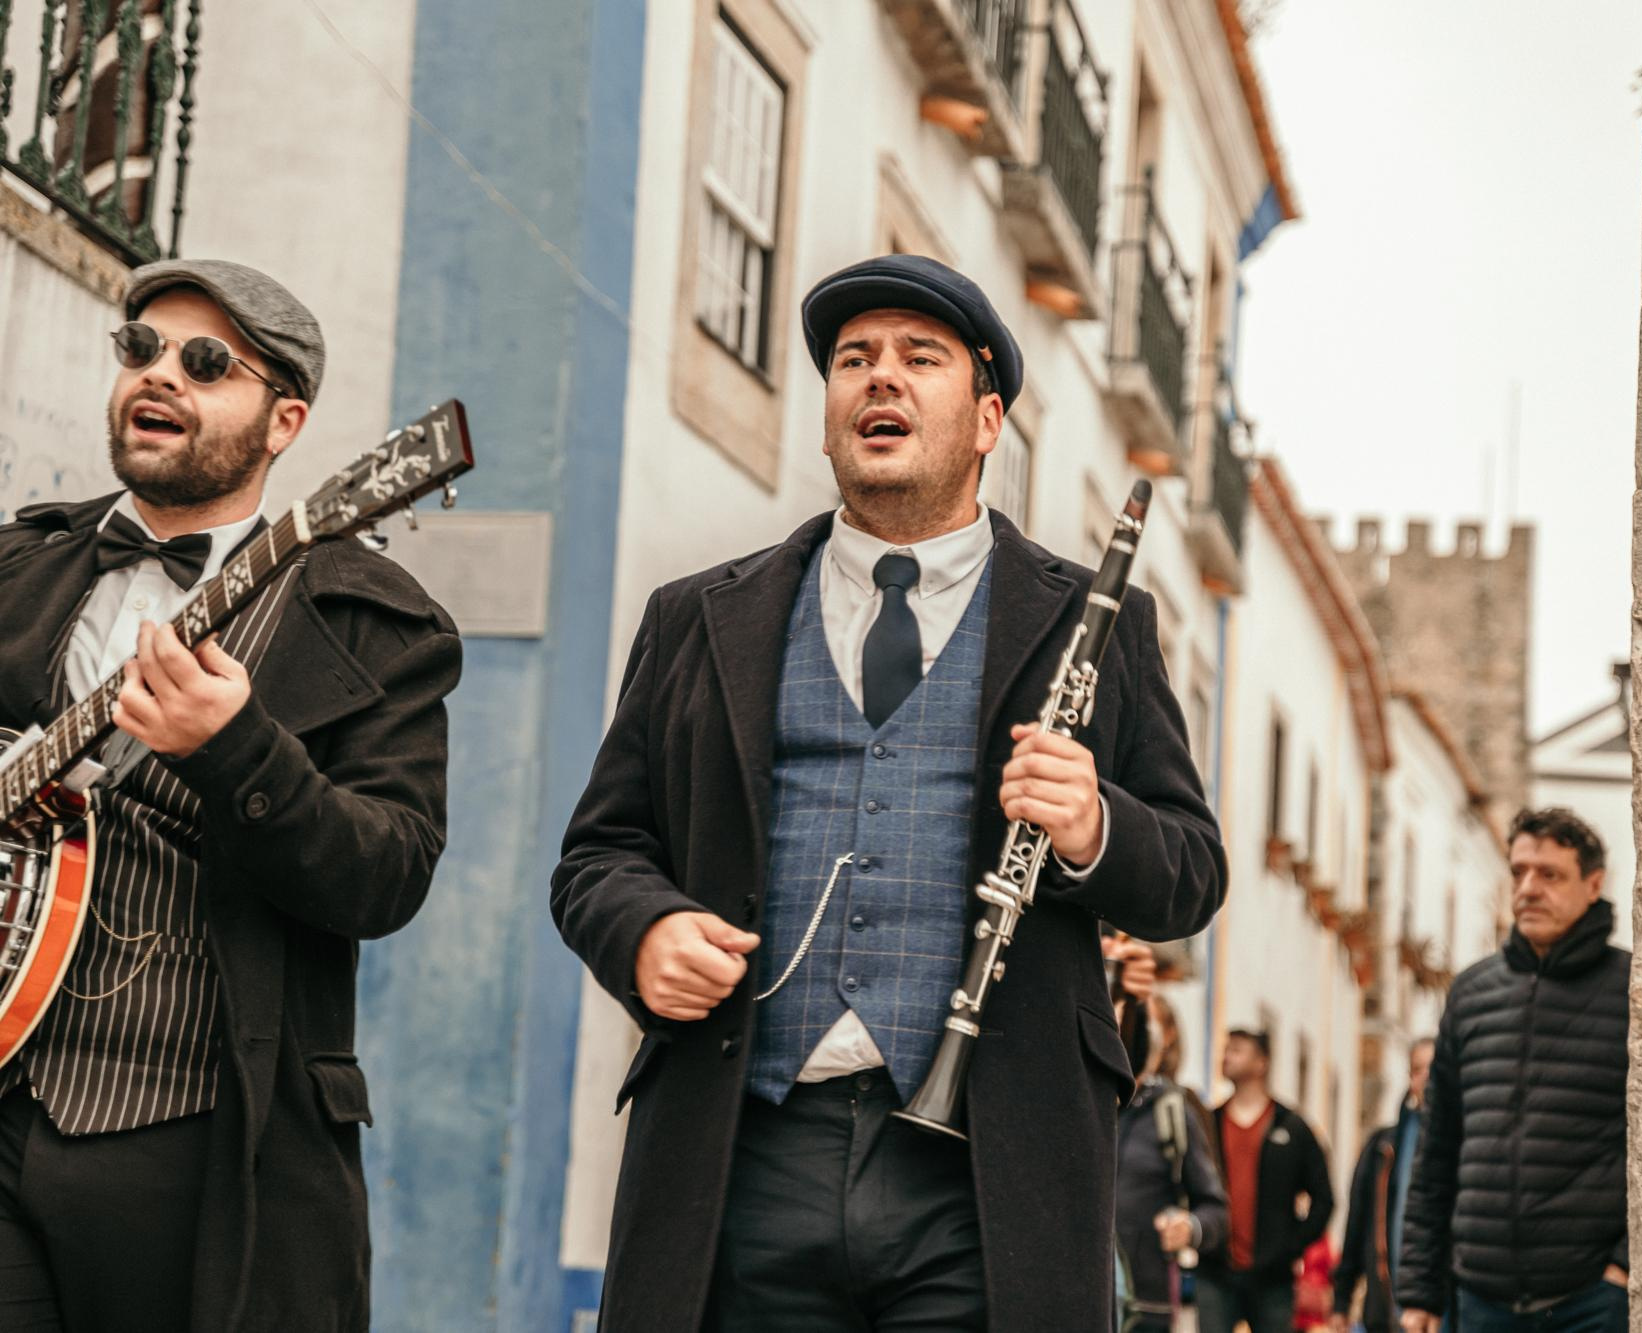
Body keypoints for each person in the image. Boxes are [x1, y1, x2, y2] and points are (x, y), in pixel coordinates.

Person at [550, 253, 1227, 1332]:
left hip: (988, 1174)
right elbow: (597, 855)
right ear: (826, 421)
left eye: (921, 358)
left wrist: (1096, 823)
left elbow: (1189, 873)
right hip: (743, 1151)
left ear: (987, 417)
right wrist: (643, 929)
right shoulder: (695, 616)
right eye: (853, 360)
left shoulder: (1098, 622)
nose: (880, 378)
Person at [0, 260, 462, 1331]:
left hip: (196, 1138)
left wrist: (237, 751)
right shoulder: (20, 563)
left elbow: (386, 873)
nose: (161, 375)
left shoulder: (372, 620)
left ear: (283, 421)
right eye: (141, 349)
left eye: (206, 363)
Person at [1397, 808, 1630, 1333]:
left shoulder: (1632, 995)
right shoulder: (1472, 993)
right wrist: (1420, 1291)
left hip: (1591, 1301)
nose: (1528, 887)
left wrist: (1624, 1266)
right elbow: (1436, 1152)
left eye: (1550, 874)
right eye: (1519, 872)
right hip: (1482, 1298)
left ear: (1594, 885)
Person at [1199, 1028, 1336, 1333]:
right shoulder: (1210, 1123)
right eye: (1225, 1050)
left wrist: (1290, 1246)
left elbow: (1324, 1199)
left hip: (1273, 1279)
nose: (1227, 1056)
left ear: (1262, 1062)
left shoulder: (1292, 1127)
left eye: (1237, 1050)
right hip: (1215, 1273)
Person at [1116, 995, 1229, 1332]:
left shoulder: (1175, 1111)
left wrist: (1189, 1227)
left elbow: (1217, 1211)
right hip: (1082, 1296)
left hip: (1147, 1307)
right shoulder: (1084, 1104)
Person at [1332, 1040, 1437, 1333]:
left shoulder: (1468, 1140)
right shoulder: (1383, 1147)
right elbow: (1356, 1224)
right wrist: (1342, 1299)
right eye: (1418, 1069)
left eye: (1434, 1068)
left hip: (1443, 1307)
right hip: (1388, 1304)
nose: (1426, 1077)